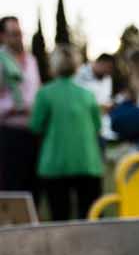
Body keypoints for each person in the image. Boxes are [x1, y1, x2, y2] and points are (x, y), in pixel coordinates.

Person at [28, 44, 103, 220]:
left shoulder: (45, 94)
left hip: (55, 163)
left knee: (59, 217)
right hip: (87, 162)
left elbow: (35, 126)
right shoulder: (87, 95)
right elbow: (98, 126)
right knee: (89, 216)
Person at [0, 14, 41, 199]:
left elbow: (37, 91)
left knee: (33, 185)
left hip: (33, 131)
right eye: (13, 33)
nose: (19, 38)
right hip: (9, 132)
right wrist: (13, 109)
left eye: (20, 33)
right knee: (12, 186)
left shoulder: (31, 61)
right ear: (2, 36)